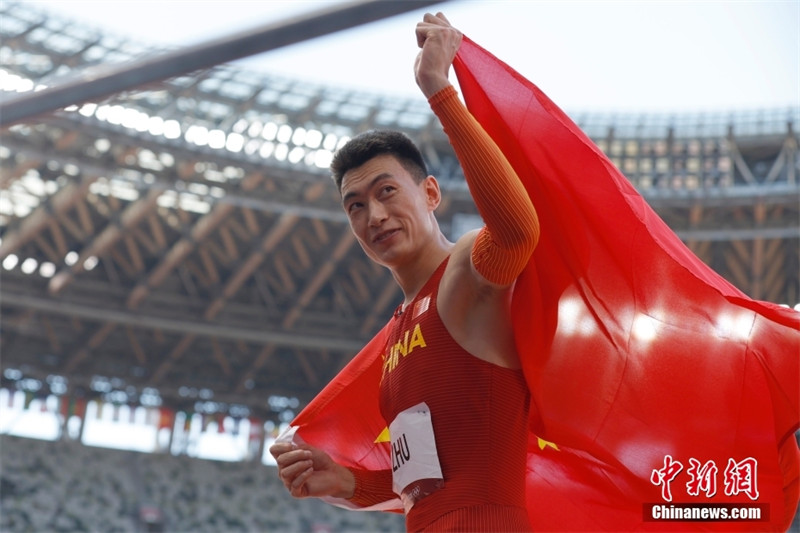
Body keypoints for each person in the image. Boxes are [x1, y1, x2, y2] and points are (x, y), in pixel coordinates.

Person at [270, 12, 540, 532]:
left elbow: (517, 233)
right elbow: (425, 487)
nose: (374, 216)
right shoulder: (396, 335)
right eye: (355, 206)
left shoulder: (466, 272)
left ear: (431, 194)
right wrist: (344, 481)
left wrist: (441, 93)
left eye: (386, 192)